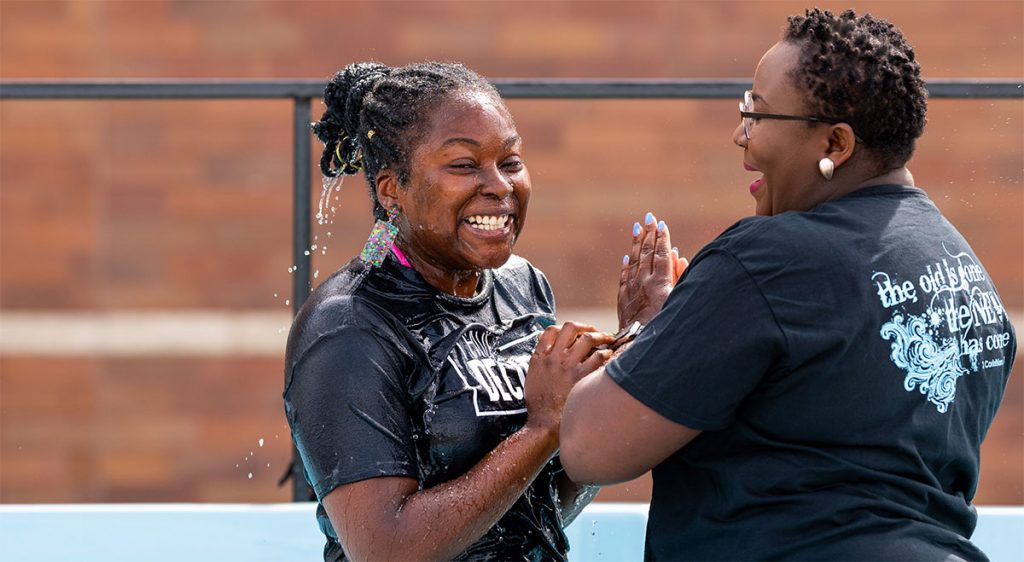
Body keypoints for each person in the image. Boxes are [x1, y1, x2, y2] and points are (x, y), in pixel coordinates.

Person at [560, 8, 1016, 561]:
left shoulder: (768, 261)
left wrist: (642, 330)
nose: (740, 135)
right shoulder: (968, 276)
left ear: (835, 145)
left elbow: (590, 448)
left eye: (757, 113)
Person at [283, 61, 652, 561]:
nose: (499, 185)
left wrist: (638, 345)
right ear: (392, 188)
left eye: (512, 160)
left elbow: (541, 506)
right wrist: (541, 428)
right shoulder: (348, 326)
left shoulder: (523, 287)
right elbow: (385, 550)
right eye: (464, 164)